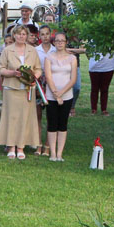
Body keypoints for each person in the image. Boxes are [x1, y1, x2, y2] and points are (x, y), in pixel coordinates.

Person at [0, 25, 41, 160]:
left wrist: (33, 77)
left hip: (27, 90)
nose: (21, 36)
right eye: (18, 34)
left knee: (24, 118)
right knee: (11, 118)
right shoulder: (7, 50)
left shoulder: (32, 50)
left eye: (23, 34)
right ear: (14, 35)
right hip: (11, 88)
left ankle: (21, 147)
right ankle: (11, 146)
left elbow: (38, 69)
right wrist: (12, 73)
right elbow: (0, 69)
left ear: (27, 36)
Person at [44, 31, 77, 162]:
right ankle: (52, 153)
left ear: (66, 42)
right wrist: (55, 93)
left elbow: (73, 79)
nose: (59, 43)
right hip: (51, 95)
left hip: (67, 95)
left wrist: (61, 93)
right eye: (57, 41)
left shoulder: (72, 58)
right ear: (54, 42)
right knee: (52, 123)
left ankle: (59, 153)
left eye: (62, 41)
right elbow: (48, 76)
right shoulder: (49, 57)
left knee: (63, 124)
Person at [34, 25, 55, 155]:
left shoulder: (55, 49)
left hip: (52, 83)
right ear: (39, 36)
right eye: (42, 34)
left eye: (47, 34)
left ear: (50, 34)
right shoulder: (35, 50)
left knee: (50, 116)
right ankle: (38, 144)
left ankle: (47, 145)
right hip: (38, 83)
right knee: (37, 116)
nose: (45, 36)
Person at [88, 51, 114, 116]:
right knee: (94, 89)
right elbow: (87, 51)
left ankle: (104, 109)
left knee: (105, 89)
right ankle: (94, 109)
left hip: (108, 66)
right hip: (94, 66)